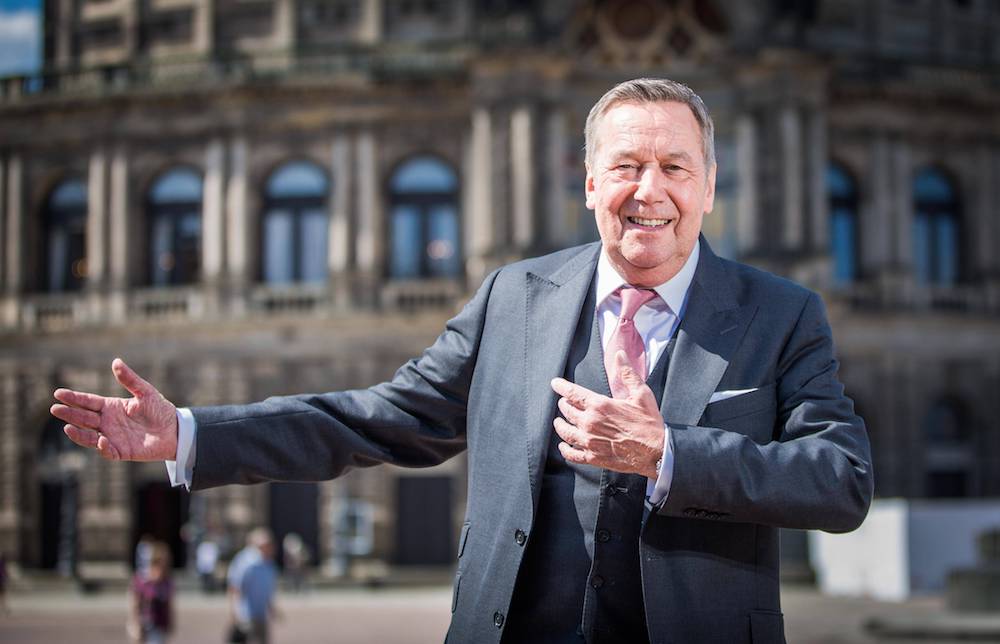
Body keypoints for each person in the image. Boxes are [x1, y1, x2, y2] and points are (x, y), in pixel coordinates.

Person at [51, 78, 873, 643]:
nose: (647, 189)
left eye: (673, 167)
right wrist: (191, 434)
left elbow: (840, 478)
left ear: (709, 185)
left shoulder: (781, 313)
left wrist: (671, 455)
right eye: (625, 166)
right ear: (590, 183)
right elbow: (379, 418)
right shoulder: (514, 299)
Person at [227, 528, 280, 644]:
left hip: (261, 613)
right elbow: (235, 587)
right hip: (246, 614)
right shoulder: (246, 562)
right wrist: (235, 613)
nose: (271, 547)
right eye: (267, 544)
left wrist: (272, 608)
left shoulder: (269, 563)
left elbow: (267, 589)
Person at [127, 540, 174, 644]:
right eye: (160, 563)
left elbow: (169, 605)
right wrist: (135, 623)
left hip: (160, 625)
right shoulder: (142, 581)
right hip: (144, 624)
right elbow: (134, 603)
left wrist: (170, 623)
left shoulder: (167, 582)